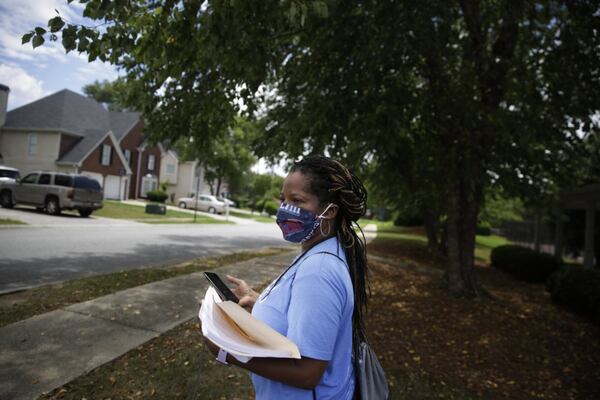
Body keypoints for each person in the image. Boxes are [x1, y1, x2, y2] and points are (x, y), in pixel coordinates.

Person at [203, 155, 370, 399]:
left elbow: (307, 373)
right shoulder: (319, 251)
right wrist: (257, 299)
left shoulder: (319, 271)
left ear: (330, 211)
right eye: (283, 199)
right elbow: (306, 313)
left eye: (297, 200)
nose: (285, 208)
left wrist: (228, 352)